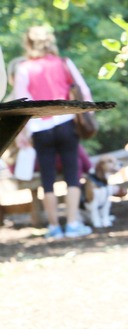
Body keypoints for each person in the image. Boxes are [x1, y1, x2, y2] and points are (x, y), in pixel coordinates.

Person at [12, 26, 93, 239]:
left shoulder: (24, 68)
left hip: (40, 128)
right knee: (72, 174)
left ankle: (54, 227)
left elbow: (22, 104)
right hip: (66, 123)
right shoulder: (63, 63)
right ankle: (73, 223)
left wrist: (22, 132)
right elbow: (83, 90)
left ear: (28, 44)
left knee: (47, 178)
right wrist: (89, 112)